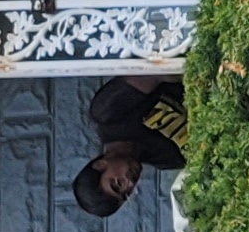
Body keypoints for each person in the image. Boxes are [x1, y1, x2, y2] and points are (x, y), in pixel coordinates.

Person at [66, 72, 187, 219]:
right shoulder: (166, 159)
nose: (130, 183)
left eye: (117, 183)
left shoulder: (107, 115)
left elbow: (156, 72)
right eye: (126, 194)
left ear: (100, 165)